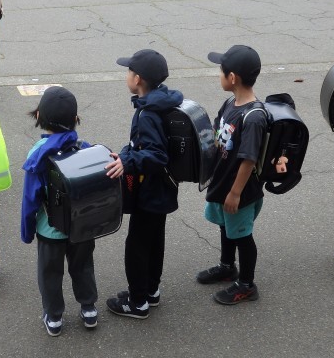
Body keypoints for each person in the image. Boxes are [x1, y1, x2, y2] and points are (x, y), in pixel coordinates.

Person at [104, 49, 183, 319]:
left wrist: (128, 162)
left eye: (129, 71)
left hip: (150, 191)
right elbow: (141, 145)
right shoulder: (160, 102)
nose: (127, 75)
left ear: (137, 79)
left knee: (137, 245)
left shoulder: (148, 113)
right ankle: (151, 290)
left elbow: (156, 154)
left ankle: (137, 302)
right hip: (164, 188)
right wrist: (125, 155)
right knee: (154, 240)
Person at [20, 86, 98, 336]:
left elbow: (30, 199)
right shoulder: (84, 148)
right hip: (81, 228)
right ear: (75, 119)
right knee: (83, 266)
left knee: (50, 274)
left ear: (39, 116)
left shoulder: (38, 155)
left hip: (50, 231)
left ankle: (54, 318)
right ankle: (89, 309)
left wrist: (27, 231)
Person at [195, 45, 268, 305]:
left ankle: (247, 285)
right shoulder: (230, 103)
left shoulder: (254, 117)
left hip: (241, 190)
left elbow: (249, 159)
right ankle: (228, 267)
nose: (219, 75)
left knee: (242, 235)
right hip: (224, 182)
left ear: (233, 77)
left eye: (221, 71)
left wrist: (235, 193)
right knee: (226, 227)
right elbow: (218, 133)